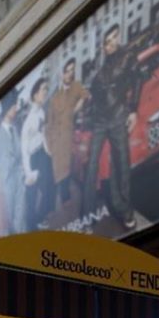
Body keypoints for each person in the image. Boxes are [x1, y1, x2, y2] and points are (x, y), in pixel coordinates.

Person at [82, 23, 140, 229]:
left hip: (117, 116)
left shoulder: (127, 56)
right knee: (91, 167)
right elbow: (95, 91)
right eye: (107, 42)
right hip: (99, 120)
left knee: (121, 164)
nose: (111, 43)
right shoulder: (101, 64)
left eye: (114, 38)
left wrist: (133, 109)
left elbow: (137, 80)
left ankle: (125, 212)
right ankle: (87, 217)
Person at [46, 57, 89, 207]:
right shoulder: (54, 98)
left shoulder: (77, 86)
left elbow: (86, 96)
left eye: (72, 70)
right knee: (61, 177)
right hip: (57, 141)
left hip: (69, 137)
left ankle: (70, 205)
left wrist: (75, 110)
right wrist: (49, 145)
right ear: (61, 74)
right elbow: (49, 124)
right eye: (67, 71)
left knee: (71, 170)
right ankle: (66, 204)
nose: (69, 74)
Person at [0, 89, 27, 235]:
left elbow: (19, 153)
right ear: (6, 109)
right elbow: (2, 162)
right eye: (13, 106)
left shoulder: (15, 129)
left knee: (20, 215)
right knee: (7, 219)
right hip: (6, 182)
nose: (16, 109)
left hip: (19, 179)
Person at [21, 77, 54, 229]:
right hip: (33, 157)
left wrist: (48, 151)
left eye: (47, 89)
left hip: (42, 153)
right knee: (32, 194)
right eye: (43, 89)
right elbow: (24, 147)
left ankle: (41, 218)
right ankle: (31, 227)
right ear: (35, 95)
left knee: (48, 188)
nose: (46, 92)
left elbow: (42, 133)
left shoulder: (42, 112)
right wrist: (28, 172)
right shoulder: (28, 119)